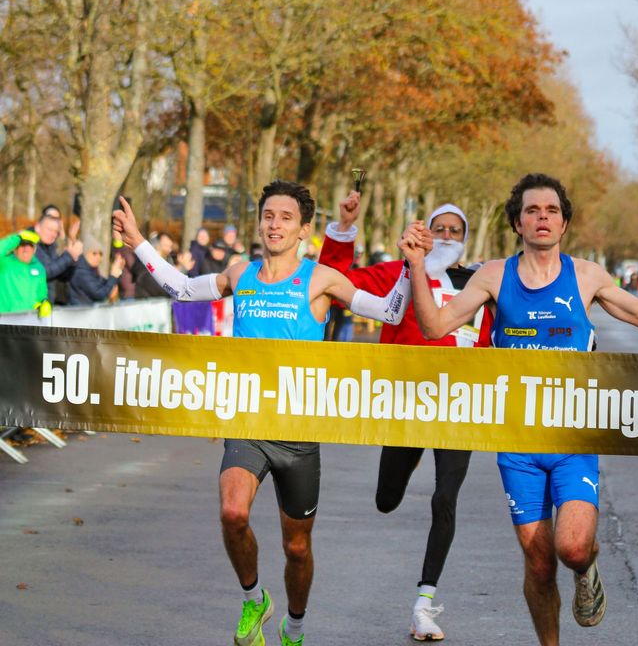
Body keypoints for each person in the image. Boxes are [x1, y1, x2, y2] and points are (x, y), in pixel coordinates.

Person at [400, 173, 638, 646]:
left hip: (573, 438)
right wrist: (417, 265)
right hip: (517, 442)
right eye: (532, 211)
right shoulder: (494, 276)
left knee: (573, 547)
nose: (542, 218)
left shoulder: (585, 276)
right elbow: (435, 325)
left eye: (552, 211)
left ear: (564, 223)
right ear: (517, 223)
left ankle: (587, 569)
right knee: (539, 564)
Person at [113, 180, 415, 646]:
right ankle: (254, 598)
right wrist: (138, 243)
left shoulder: (320, 279)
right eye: (269, 216)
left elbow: (390, 313)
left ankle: (294, 628)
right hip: (248, 425)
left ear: (303, 230)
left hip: (297, 433)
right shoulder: (240, 273)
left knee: (296, 548)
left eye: (286, 218)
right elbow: (181, 288)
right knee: (232, 513)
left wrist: (411, 266)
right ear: (260, 223)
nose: (275, 225)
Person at [319, 195, 493, 641]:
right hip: (405, 402)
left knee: (445, 499)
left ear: (466, 239)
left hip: (459, 406)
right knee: (386, 499)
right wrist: (344, 227)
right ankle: (408, 460)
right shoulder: (396, 274)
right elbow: (334, 284)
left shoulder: (478, 286)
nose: (447, 237)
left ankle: (424, 604)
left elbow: (507, 339)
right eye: (441, 228)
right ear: (426, 233)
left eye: (456, 231)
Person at [32, 206, 82, 305]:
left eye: (56, 232)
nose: (53, 235)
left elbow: (62, 276)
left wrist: (73, 262)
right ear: (37, 227)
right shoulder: (29, 245)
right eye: (50, 230)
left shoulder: (51, 247)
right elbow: (45, 272)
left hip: (53, 303)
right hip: (34, 305)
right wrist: (68, 256)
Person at [0, 229, 48, 315]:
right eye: (22, 245)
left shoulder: (39, 268)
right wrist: (16, 238)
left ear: (34, 249)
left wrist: (43, 302)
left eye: (29, 245)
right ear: (15, 249)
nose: (26, 249)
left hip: (29, 319)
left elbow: (41, 294)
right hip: (5, 318)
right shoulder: (4, 263)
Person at [67, 236, 124, 305]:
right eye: (94, 253)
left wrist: (118, 271)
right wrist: (114, 275)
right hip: (80, 313)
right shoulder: (81, 272)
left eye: (100, 254)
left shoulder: (91, 270)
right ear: (85, 253)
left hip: (87, 312)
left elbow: (106, 285)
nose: (98, 257)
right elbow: (100, 295)